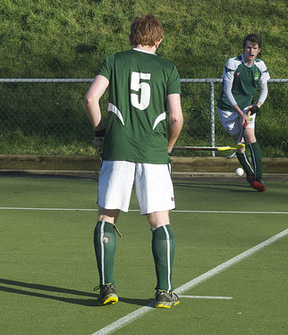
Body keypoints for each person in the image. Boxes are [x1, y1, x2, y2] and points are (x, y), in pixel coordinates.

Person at [84, 14, 183, 308]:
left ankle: (107, 288)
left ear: (131, 37)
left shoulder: (114, 60)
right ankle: (164, 291)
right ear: (159, 40)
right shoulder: (168, 68)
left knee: (106, 218)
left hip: (117, 150)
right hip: (153, 153)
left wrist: (101, 132)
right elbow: (176, 117)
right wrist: (169, 146)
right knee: (159, 221)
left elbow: (91, 99)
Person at [217, 33, 270, 192]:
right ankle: (249, 174)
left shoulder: (260, 66)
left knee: (250, 137)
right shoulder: (233, 63)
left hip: (247, 107)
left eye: (254, 48)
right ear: (244, 48)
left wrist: (257, 106)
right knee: (240, 147)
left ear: (259, 49)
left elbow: (264, 89)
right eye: (248, 48)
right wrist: (240, 114)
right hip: (228, 109)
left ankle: (258, 178)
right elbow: (227, 91)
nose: (251, 51)